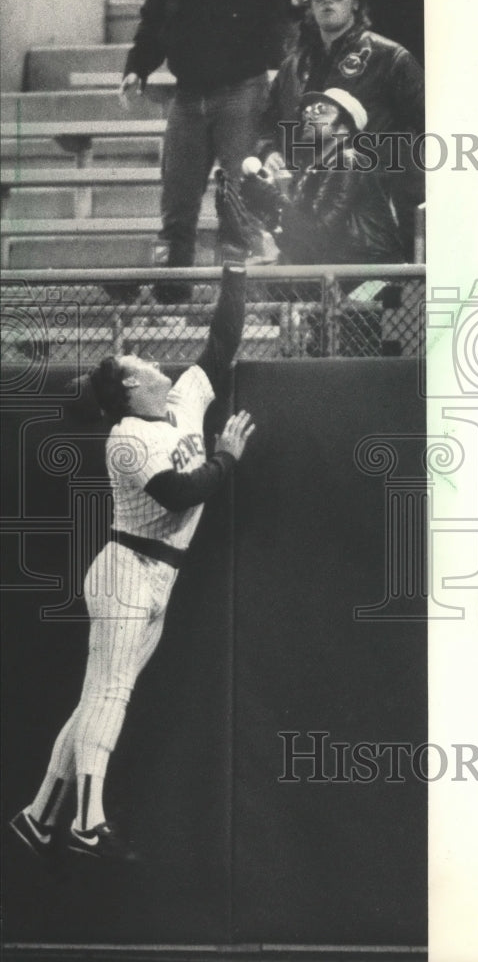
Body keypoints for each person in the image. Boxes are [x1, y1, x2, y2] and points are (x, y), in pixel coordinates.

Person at [9, 266, 254, 862]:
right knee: (111, 695)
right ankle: (87, 822)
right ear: (128, 388)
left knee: (99, 698)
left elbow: (221, 345)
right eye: (135, 362)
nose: (147, 359)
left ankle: (39, 815)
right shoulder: (124, 436)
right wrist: (226, 456)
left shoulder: (183, 401)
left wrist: (236, 271)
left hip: (160, 574)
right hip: (125, 571)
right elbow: (178, 493)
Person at [119, 0, 286, 303]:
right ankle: (171, 301)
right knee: (176, 207)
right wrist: (137, 68)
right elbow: (152, 22)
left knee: (246, 201)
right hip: (188, 96)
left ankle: (250, 304)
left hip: (242, 90)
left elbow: (281, 16)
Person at [262, 0, 425, 260]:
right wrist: (270, 150)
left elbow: (429, 122)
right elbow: (269, 122)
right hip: (309, 199)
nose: (328, 0)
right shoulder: (294, 66)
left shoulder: (389, 57)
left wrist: (398, 176)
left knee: (365, 294)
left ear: (356, 2)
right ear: (310, 5)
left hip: (367, 202)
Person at [242, 87, 404, 265]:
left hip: (369, 277)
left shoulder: (348, 161)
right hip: (342, 273)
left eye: (321, 109)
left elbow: (320, 236)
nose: (309, 115)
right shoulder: (314, 171)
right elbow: (299, 244)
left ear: (343, 127)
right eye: (307, 111)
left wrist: (274, 199)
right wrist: (265, 209)